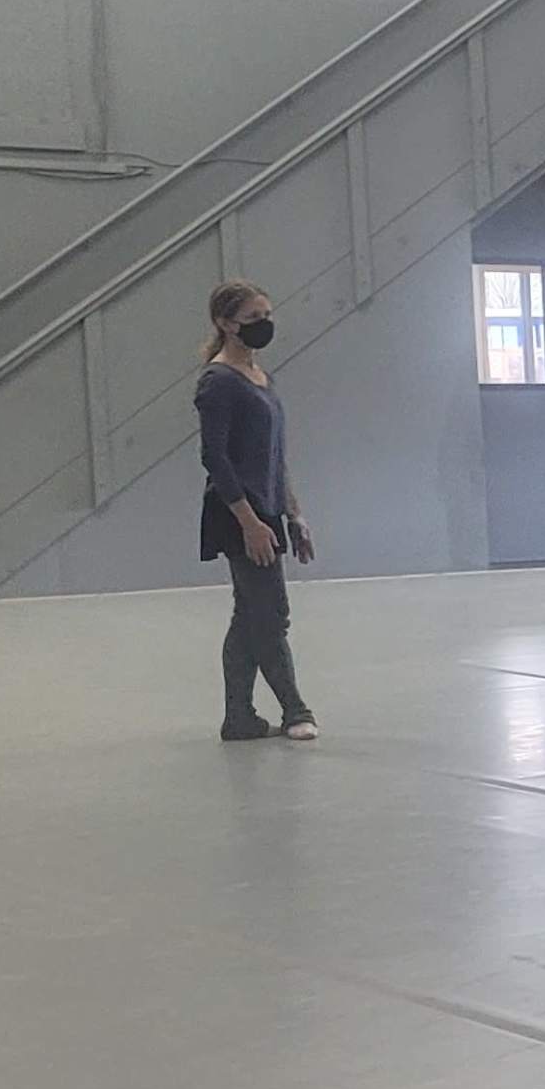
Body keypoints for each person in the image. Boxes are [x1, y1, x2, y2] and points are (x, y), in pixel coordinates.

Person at [197, 280, 318, 743]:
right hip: (237, 514)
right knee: (272, 612)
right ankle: (295, 710)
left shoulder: (263, 378)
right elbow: (215, 458)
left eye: (267, 314)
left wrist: (293, 514)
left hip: (267, 511)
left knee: (249, 613)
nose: (264, 325)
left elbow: (275, 454)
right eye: (252, 318)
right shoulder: (218, 381)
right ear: (226, 324)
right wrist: (249, 523)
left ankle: (239, 718)